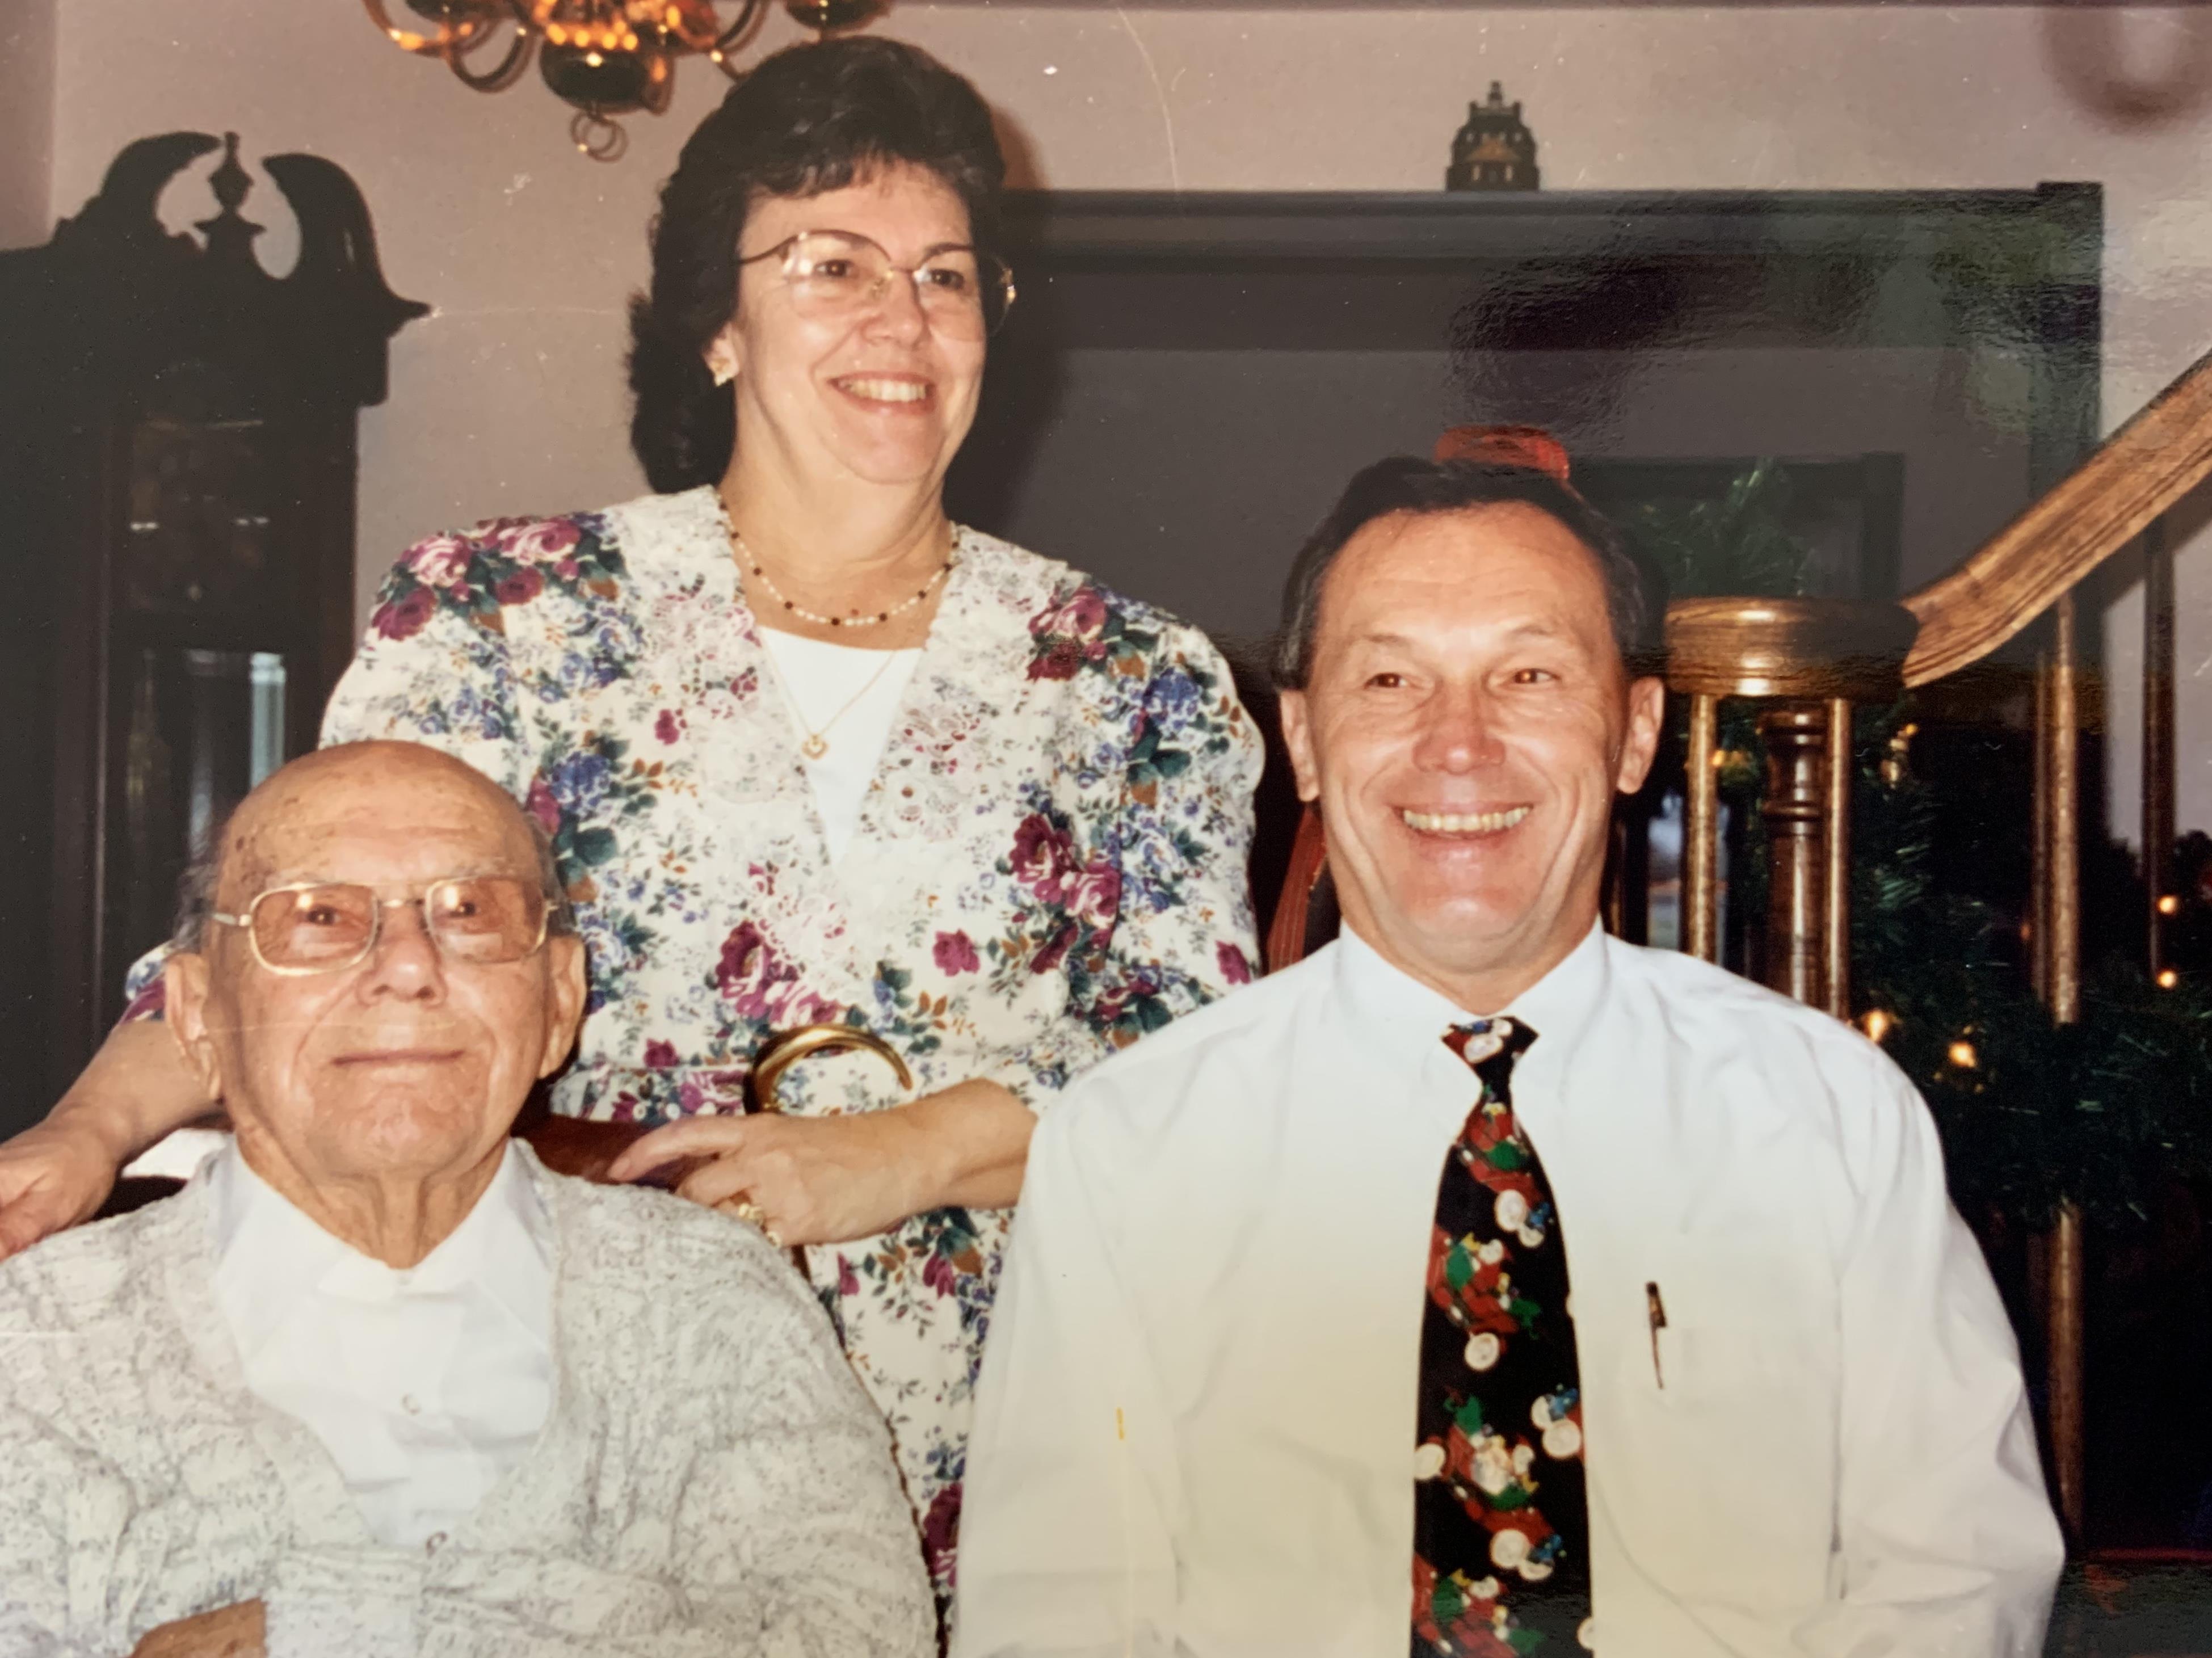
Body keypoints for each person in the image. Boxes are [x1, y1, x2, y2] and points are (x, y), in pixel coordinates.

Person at [0, 37, 1261, 1601]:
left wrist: (897, 1157)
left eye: (948, 277)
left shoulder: (1135, 677)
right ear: (715, 325)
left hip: (1022, 1412)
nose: (901, 320)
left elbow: (1201, 1071)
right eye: (830, 265)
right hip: (592, 1410)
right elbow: (296, 941)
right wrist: (86, 1129)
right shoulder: (508, 617)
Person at [952, 457, 2065, 1656]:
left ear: (1634, 729)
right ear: (1304, 740)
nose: (1457, 745)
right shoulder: (1127, 1150)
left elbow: (1954, 1574)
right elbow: (1054, 1619)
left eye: (1527, 675)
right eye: (1388, 679)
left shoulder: (1828, 1117)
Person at [0, 740, 933, 1658]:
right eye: (320, 915)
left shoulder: (715, 1298)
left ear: (560, 1002)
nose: (408, 966)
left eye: (471, 911)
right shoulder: (38, 1343)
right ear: (198, 1012)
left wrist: (331, 1632)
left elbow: (858, 1639)